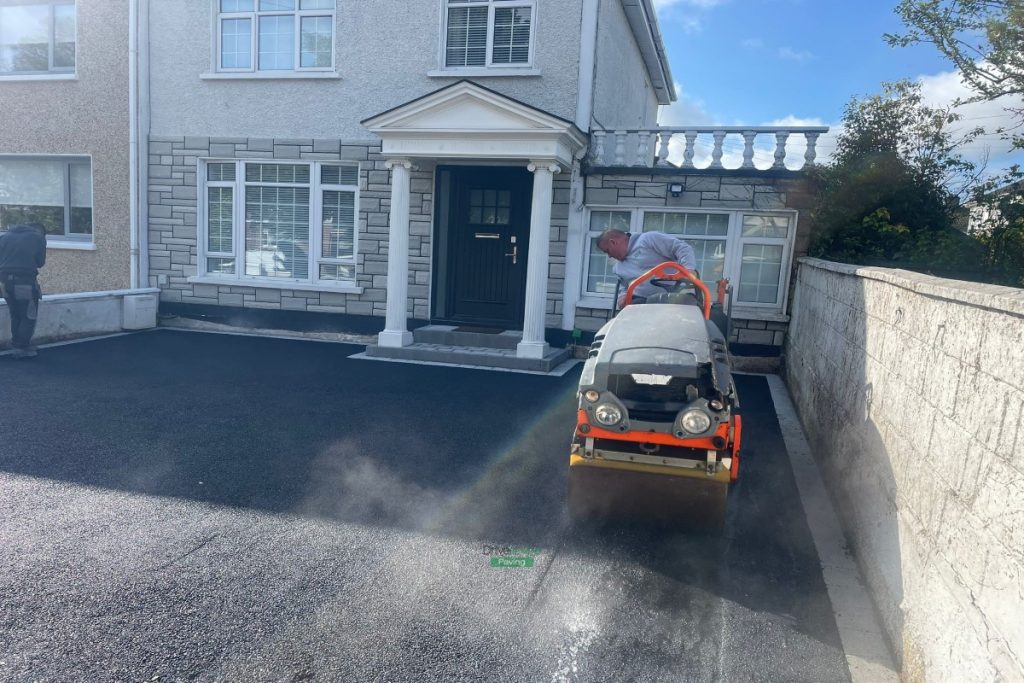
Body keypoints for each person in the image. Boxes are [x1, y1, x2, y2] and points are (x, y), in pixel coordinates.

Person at [596, 228, 697, 305]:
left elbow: (682, 248)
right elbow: (624, 287)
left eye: (607, 251)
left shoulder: (648, 239)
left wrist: (688, 270)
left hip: (676, 296)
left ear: (613, 242)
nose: (609, 256)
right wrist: (622, 297)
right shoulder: (618, 268)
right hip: (642, 303)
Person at [0, 223, 47, 358]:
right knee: (28, 315)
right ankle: (21, 348)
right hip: (24, 281)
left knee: (15, 313)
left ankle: (18, 344)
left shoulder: (4, 237)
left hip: (3, 282)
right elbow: (40, 262)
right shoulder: (38, 238)